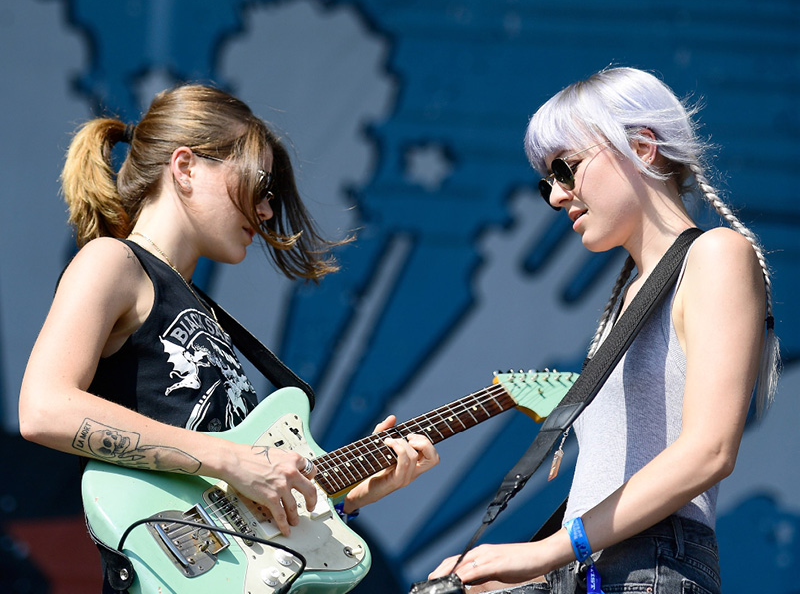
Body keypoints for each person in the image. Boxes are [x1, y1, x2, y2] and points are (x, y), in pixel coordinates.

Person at [18, 84, 439, 590]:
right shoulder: (113, 262)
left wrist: (343, 495)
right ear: (186, 167)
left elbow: (237, 508)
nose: (266, 211)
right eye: (261, 185)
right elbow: (43, 409)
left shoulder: (203, 310)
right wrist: (231, 459)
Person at [428, 67, 780, 593]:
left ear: (642, 148)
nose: (554, 196)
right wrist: (517, 574)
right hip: (599, 567)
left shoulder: (716, 254)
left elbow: (710, 449)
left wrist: (547, 551)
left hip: (650, 564)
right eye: (546, 180)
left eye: (566, 170)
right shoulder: (626, 297)